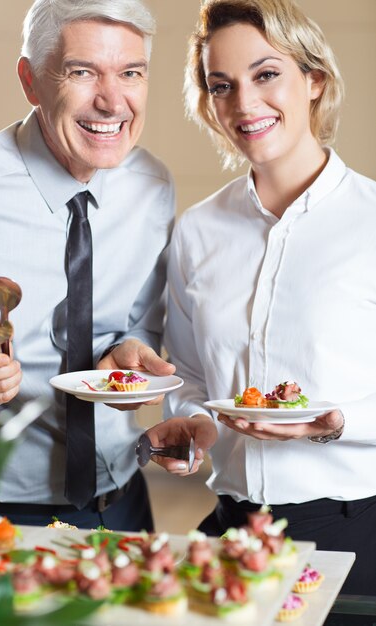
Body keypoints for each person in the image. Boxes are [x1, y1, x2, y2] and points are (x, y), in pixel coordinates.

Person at [146, 0, 376, 595]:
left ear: (314, 80)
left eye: (266, 74)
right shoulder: (196, 230)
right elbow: (192, 377)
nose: (244, 104)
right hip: (234, 528)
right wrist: (193, 426)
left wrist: (334, 424)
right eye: (222, 85)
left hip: (360, 529)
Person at [0, 0, 176, 531]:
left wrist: (127, 351)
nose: (111, 101)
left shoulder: (153, 186)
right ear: (30, 81)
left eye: (131, 73)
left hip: (120, 502)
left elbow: (140, 321)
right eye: (82, 72)